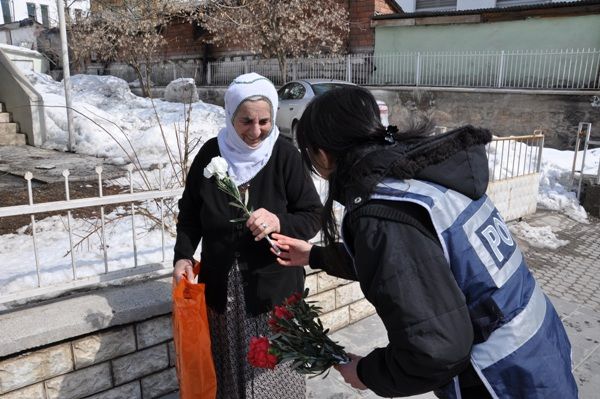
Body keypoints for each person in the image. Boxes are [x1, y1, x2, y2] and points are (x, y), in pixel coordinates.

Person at [271, 85, 578, 398]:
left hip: (501, 378)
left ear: (322, 153)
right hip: (539, 350)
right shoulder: (418, 176)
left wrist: (368, 373)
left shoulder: (382, 211)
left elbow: (435, 349)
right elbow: (413, 261)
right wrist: (316, 256)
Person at [173, 72, 322, 399]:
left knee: (273, 377)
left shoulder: (285, 155)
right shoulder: (211, 155)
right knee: (229, 376)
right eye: (246, 121)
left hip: (273, 293)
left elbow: (312, 216)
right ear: (229, 116)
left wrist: (278, 220)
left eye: (264, 121)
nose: (256, 131)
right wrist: (184, 255)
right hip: (223, 296)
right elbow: (190, 215)